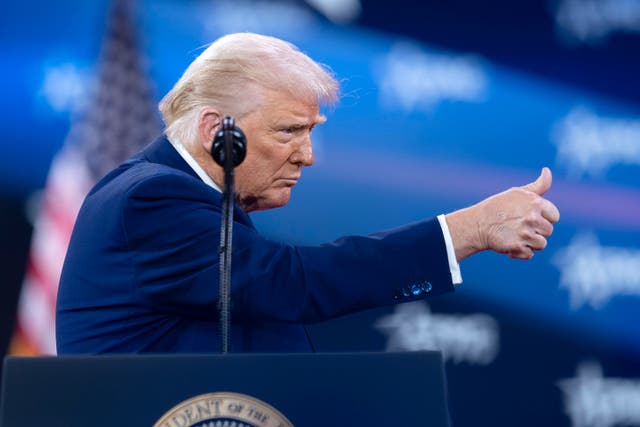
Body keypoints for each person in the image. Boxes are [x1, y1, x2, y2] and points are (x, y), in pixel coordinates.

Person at [56, 33, 560, 354]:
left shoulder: (189, 197)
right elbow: (289, 284)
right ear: (216, 131)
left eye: (311, 130)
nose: (307, 155)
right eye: (288, 131)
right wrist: (468, 230)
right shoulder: (152, 199)